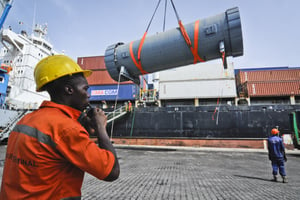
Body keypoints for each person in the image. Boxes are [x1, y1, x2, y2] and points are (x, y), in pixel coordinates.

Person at [0, 55, 120, 199]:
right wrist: (101, 127)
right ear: (69, 90)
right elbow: (111, 172)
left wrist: (82, 122)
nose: (88, 95)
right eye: (85, 89)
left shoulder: (26, 120)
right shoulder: (67, 129)